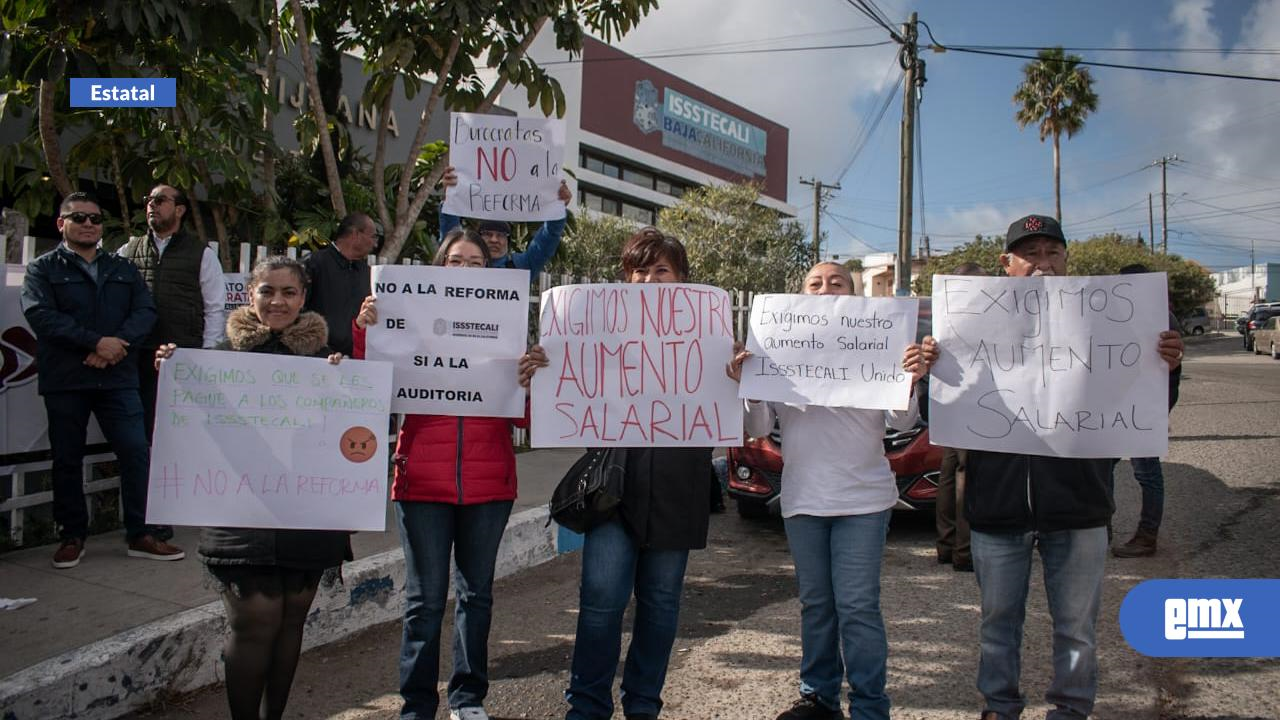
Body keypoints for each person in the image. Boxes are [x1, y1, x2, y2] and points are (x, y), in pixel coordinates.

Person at [961, 214, 1184, 720]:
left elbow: (1145, 407)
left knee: (1077, 624)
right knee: (997, 620)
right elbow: (942, 414)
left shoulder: (1106, 320)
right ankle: (999, 706)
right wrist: (928, 370)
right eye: (1029, 254)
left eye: (1051, 253)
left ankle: (1072, 710)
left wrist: (1167, 368)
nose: (1042, 263)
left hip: (1080, 507)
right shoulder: (971, 321)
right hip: (998, 508)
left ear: (1066, 260)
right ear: (1007, 265)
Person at [726, 261, 937, 720]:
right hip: (803, 498)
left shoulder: (879, 344)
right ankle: (818, 696)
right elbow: (758, 426)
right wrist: (751, 385)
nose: (825, 288)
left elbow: (901, 422)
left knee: (858, 606)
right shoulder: (780, 346)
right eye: (814, 283)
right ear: (800, 295)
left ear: (854, 295)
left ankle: (869, 705)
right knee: (816, 604)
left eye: (836, 282)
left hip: (864, 499)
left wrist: (911, 381)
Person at [519, 227, 714, 720]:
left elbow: (745, 421)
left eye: (661, 270)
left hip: (677, 490)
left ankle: (643, 704)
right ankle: (586, 707)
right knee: (602, 603)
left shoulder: (711, 339)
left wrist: (737, 375)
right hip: (612, 489)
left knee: (661, 604)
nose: (649, 280)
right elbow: (558, 397)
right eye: (639, 271)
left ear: (683, 279)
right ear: (625, 280)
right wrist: (540, 370)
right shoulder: (592, 334)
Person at [156, 255, 348, 720]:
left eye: (289, 293)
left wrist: (347, 385)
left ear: (304, 298)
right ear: (250, 294)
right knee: (254, 622)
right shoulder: (217, 358)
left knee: (290, 624)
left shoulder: (331, 360)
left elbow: (346, 435)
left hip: (307, 513)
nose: (278, 301)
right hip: (240, 514)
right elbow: (192, 427)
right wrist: (172, 372)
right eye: (268, 291)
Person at [351, 228, 528, 720]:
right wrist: (367, 329)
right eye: (455, 260)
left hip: (489, 483)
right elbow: (369, 390)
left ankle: (467, 698)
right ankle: (417, 705)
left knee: (477, 596)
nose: (465, 269)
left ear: (489, 273)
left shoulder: (508, 333)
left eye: (476, 262)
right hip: (421, 482)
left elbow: (524, 418)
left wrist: (529, 379)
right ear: (438, 267)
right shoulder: (404, 323)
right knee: (424, 601)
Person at [21, 192, 183, 568]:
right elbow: (41, 315)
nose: (90, 224)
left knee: (136, 451)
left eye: (95, 219)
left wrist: (118, 345)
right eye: (79, 217)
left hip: (118, 376)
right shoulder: (42, 269)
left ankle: (142, 533)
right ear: (62, 224)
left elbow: (145, 311)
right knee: (67, 458)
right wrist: (95, 343)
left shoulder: (121, 267)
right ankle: (72, 535)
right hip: (67, 379)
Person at [119, 184, 225, 442]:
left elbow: (214, 307)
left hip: (182, 356)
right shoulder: (127, 252)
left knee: (179, 432)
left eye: (160, 200)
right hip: (136, 355)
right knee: (138, 432)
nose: (151, 205)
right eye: (149, 200)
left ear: (179, 210)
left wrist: (208, 353)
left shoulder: (202, 255)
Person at [1110, 262, 1183, 558]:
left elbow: (1170, 372)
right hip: (1113, 409)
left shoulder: (1162, 320)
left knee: (1146, 471)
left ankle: (1147, 535)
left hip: (1143, 410)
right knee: (1103, 469)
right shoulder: (1114, 317)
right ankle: (1100, 527)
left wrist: (1158, 413)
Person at [935, 261, 988, 573]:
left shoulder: (947, 316)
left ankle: (946, 544)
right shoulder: (981, 316)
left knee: (950, 468)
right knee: (966, 473)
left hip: (948, 400)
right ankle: (964, 551)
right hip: (975, 402)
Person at [440, 166, 571, 275]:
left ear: (508, 241)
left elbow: (547, 239)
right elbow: (450, 236)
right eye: (487, 234)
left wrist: (557, 208)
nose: (494, 240)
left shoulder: (522, 266)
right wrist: (450, 198)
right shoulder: (461, 264)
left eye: (501, 235)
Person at [303, 212, 376, 357]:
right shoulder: (314, 264)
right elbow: (297, 311)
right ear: (355, 234)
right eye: (373, 236)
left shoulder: (367, 272)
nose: (375, 243)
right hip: (316, 359)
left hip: (355, 362)